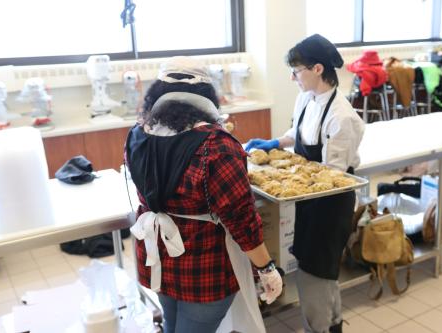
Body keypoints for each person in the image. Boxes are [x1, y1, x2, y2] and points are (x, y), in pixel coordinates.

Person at [125, 56, 282, 333]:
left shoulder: (139, 135)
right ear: (206, 96)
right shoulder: (216, 145)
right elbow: (241, 220)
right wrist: (266, 268)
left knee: (172, 324)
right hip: (202, 268)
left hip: (159, 258)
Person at [246, 34, 365, 333]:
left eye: (297, 70)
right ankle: (332, 326)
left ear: (318, 69)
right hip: (310, 203)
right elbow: (298, 134)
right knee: (319, 273)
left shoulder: (342, 117)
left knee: (315, 274)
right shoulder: (306, 98)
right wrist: (276, 142)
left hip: (330, 205)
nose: (292, 77)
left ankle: (320, 329)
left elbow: (331, 177)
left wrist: (284, 178)